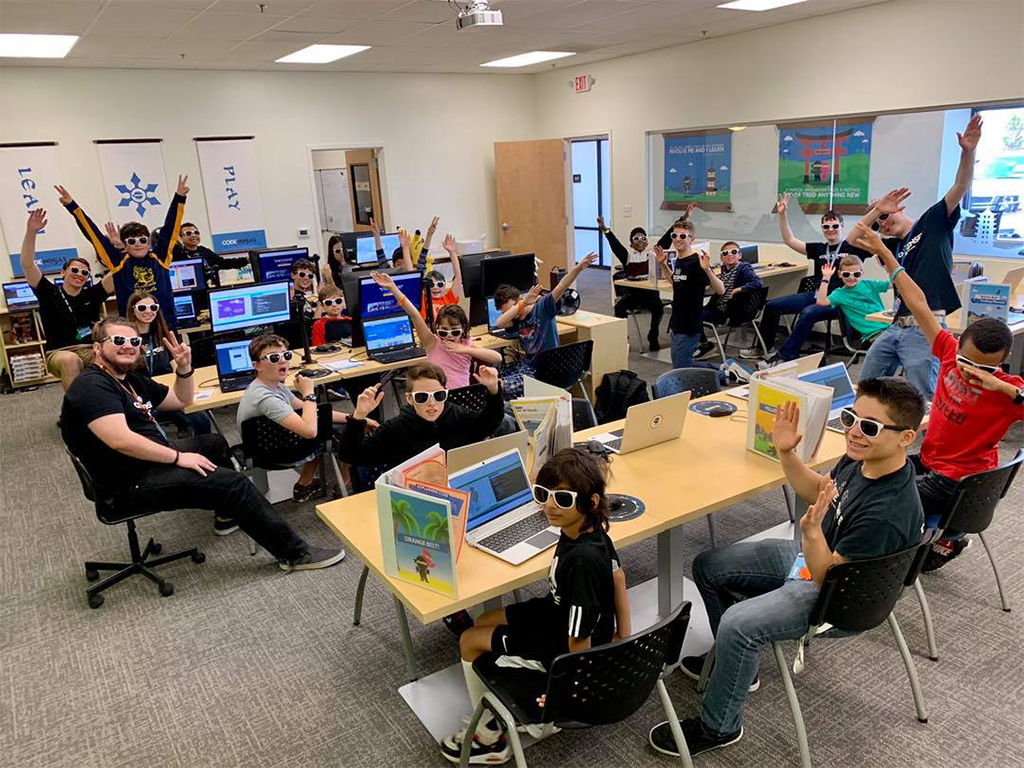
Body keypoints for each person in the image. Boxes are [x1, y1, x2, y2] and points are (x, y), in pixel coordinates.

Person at [648, 376, 925, 759]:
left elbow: (828, 578)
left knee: (738, 624)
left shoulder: (887, 513)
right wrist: (786, 452)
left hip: (837, 598)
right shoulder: (863, 460)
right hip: (817, 561)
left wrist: (811, 534)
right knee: (709, 567)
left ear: (906, 437)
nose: (854, 432)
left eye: (870, 427)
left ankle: (719, 726)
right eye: (850, 418)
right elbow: (819, 491)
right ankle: (739, 665)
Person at [60, 317, 344, 570]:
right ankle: (295, 554)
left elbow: (182, 400)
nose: (128, 346)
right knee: (234, 483)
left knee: (214, 443)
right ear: (97, 348)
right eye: (118, 341)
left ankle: (226, 514)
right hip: (125, 481)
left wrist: (184, 369)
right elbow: (120, 439)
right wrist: (178, 458)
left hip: (142, 461)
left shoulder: (129, 379)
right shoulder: (92, 385)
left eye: (134, 341)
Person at [852, 222, 1024, 570]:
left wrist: (1005, 388)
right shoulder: (946, 349)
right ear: (957, 345)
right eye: (965, 362)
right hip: (930, 461)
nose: (970, 372)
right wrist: (884, 252)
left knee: (878, 501)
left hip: (956, 482)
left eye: (984, 368)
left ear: (1002, 362)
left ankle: (882, 564)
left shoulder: (1010, 391)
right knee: (865, 470)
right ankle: (947, 537)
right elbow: (917, 301)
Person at [440, 448, 626, 764]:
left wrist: (569, 691)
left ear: (591, 501)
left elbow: (578, 640)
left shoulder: (581, 561)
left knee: (469, 640)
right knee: (485, 618)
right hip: (555, 614)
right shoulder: (587, 531)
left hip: (561, 643)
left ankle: (488, 738)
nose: (550, 505)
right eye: (543, 494)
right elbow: (618, 577)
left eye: (563, 499)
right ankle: (508, 690)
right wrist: (623, 637)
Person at [856, 113, 984, 399]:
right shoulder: (891, 249)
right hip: (895, 326)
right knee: (866, 387)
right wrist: (876, 211)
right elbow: (852, 241)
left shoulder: (932, 223)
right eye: (878, 222)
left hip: (925, 327)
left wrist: (968, 152)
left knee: (923, 396)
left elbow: (960, 187)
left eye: (886, 216)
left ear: (900, 208)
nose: (882, 225)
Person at [236, 333, 364, 502]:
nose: (283, 361)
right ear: (257, 365)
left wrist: (354, 417)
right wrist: (309, 393)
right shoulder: (265, 398)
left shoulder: (273, 385)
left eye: (286, 355)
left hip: (275, 445)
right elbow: (310, 430)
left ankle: (306, 483)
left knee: (329, 422)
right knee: (343, 433)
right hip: (276, 454)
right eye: (274, 358)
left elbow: (309, 410)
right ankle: (346, 482)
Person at [56, 176, 188, 327]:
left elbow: (171, 227)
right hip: (132, 329)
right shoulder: (118, 263)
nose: (138, 244)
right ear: (125, 245)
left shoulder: (161, 258)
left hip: (165, 325)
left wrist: (179, 197)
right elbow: (94, 235)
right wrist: (73, 207)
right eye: (131, 241)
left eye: (142, 240)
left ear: (149, 242)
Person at [749, 196, 868, 362]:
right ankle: (763, 348)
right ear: (822, 228)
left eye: (835, 226)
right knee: (771, 306)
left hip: (839, 299)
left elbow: (875, 242)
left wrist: (877, 213)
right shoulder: (818, 248)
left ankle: (786, 355)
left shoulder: (852, 246)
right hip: (817, 295)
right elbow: (789, 240)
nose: (830, 229)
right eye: (826, 226)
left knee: (808, 313)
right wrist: (782, 215)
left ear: (842, 226)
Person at [337, 362, 505, 469]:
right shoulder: (396, 429)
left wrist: (493, 390)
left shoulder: (455, 414)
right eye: (422, 397)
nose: (432, 403)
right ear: (409, 399)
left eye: (438, 395)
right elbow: (349, 454)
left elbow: (489, 423)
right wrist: (359, 416)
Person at [19, 208, 114, 390]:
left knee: (112, 356)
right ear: (63, 272)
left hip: (89, 348)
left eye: (85, 273)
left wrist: (115, 248)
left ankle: (110, 402)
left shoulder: (92, 294)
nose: (80, 274)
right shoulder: (48, 292)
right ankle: (76, 405)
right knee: (71, 360)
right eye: (75, 270)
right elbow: (27, 264)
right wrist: (31, 232)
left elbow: (118, 271)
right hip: (59, 352)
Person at [371, 271, 501, 390]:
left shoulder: (466, 344)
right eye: (443, 332)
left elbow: (497, 358)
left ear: (463, 329)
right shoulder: (432, 342)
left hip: (461, 395)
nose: (449, 336)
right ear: (436, 328)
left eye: (455, 332)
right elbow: (414, 314)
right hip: (437, 396)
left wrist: (465, 350)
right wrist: (393, 288)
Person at [494, 252, 597, 397]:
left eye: (514, 308)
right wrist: (520, 306)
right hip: (529, 367)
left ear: (521, 298)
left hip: (546, 371)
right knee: (494, 374)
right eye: (510, 312)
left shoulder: (542, 308)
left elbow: (561, 286)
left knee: (499, 386)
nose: (514, 314)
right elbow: (499, 323)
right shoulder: (516, 320)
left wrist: (578, 268)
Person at [126, 289, 212, 439]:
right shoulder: (128, 340)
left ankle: (200, 447)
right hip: (142, 395)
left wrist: (183, 373)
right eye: (142, 308)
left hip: (166, 392)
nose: (148, 311)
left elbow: (175, 365)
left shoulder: (163, 335)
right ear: (133, 311)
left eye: (153, 307)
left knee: (201, 419)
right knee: (153, 433)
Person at [656, 221, 724, 369]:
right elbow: (676, 282)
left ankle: (723, 373)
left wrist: (707, 270)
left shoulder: (696, 262)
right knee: (683, 365)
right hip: (678, 322)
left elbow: (721, 290)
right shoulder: (680, 261)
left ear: (692, 239)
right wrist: (663, 264)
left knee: (681, 368)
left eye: (682, 236)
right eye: (674, 235)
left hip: (689, 325)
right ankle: (722, 370)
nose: (677, 239)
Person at [599, 215, 665, 351]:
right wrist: (605, 229)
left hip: (650, 294)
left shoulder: (653, 254)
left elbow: (666, 240)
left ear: (647, 242)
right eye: (636, 239)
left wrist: (683, 219)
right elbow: (615, 244)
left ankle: (653, 336)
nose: (640, 241)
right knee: (619, 308)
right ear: (631, 244)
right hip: (634, 295)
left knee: (658, 308)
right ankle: (623, 337)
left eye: (643, 238)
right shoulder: (627, 256)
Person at [694, 240, 765, 359]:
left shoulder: (743, 267)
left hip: (727, 313)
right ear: (722, 258)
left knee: (692, 316)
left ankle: (706, 345)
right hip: (720, 307)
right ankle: (701, 344)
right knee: (690, 312)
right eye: (725, 253)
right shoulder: (724, 269)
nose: (730, 255)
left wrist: (737, 290)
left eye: (734, 252)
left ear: (740, 255)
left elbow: (758, 283)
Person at [813, 254, 891, 343]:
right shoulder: (839, 294)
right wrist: (826, 278)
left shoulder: (869, 284)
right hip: (873, 334)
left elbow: (893, 284)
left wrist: (887, 268)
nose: (851, 278)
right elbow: (821, 301)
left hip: (890, 327)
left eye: (856, 274)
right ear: (839, 274)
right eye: (846, 274)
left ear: (862, 273)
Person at [173, 222, 249, 288]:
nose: (194, 236)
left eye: (196, 233)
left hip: (207, 289)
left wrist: (246, 260)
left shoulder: (204, 251)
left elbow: (224, 263)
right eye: (188, 233)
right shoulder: (177, 254)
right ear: (181, 238)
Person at [421, 233, 465, 324]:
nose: (436, 287)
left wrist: (452, 252)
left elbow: (458, 277)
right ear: (425, 288)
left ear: (444, 287)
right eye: (431, 285)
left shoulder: (448, 299)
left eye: (440, 284)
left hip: (447, 330)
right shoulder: (422, 300)